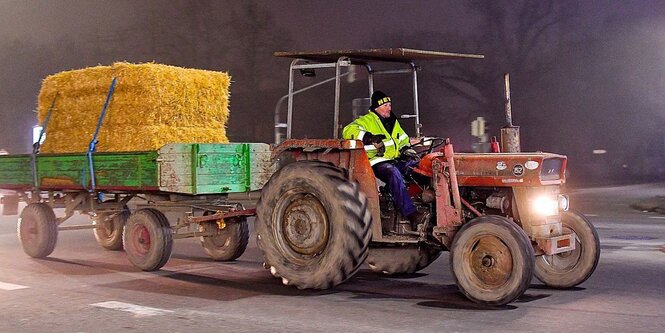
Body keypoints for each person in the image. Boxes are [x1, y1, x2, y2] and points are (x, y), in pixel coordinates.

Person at [342, 91, 424, 225]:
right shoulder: (366, 121)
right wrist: (369, 137)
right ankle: (411, 214)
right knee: (393, 173)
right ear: (376, 107)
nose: (389, 108)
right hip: (376, 162)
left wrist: (405, 150)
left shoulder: (393, 122)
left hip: (394, 160)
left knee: (418, 167)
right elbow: (347, 131)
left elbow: (403, 140)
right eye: (385, 105)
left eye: (390, 105)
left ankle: (424, 203)